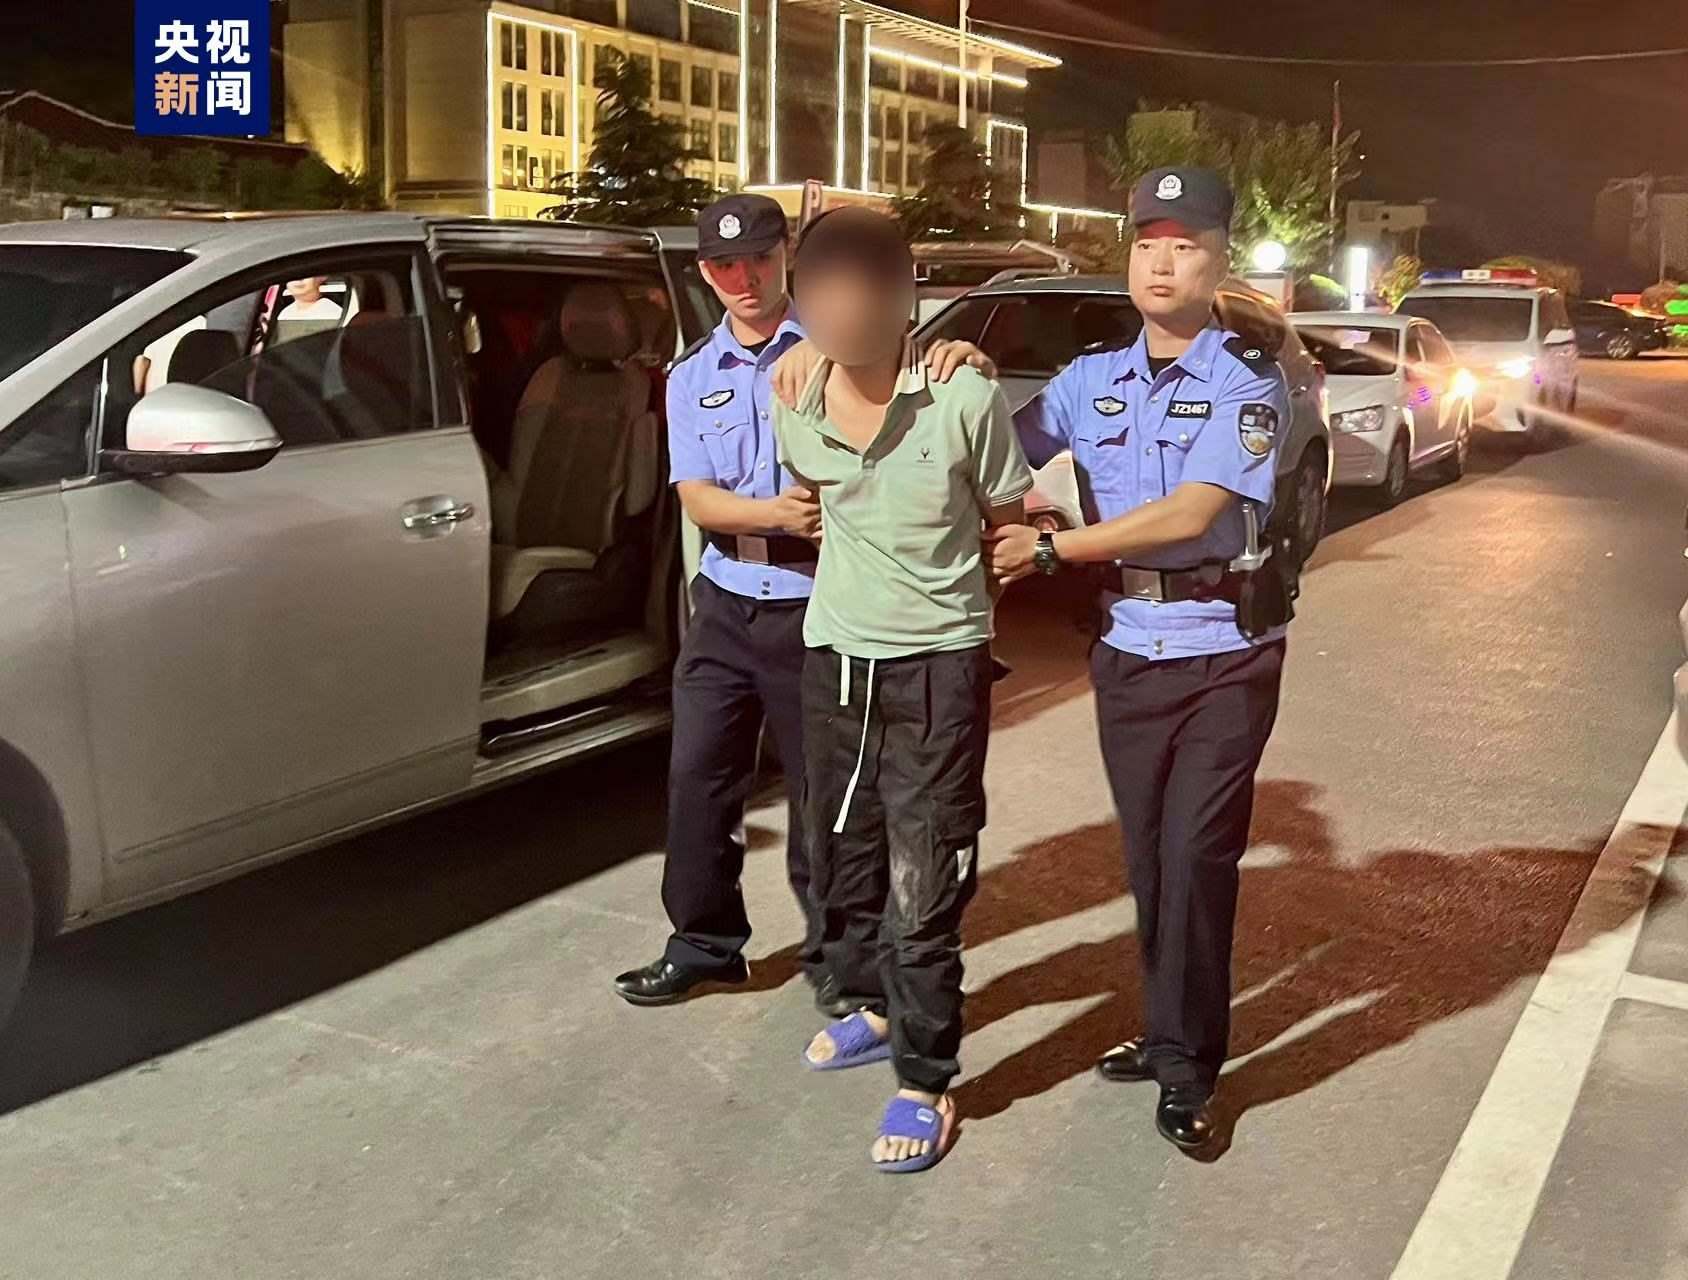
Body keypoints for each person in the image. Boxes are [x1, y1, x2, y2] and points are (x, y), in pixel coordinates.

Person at [983, 166, 1293, 1151]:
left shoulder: (1245, 380)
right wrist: (944, 373)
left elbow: (1193, 512)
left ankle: (1189, 1068)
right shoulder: (1089, 380)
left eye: (1184, 246)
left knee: (1196, 856)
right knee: (1150, 857)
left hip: (1221, 654)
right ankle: (1164, 1030)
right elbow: (998, 456)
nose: (1162, 264)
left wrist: (1053, 549)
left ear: (1218, 262)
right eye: (1146, 244)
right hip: (1125, 647)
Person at [772, 208, 1033, 1173]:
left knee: (925, 878)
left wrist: (967, 611)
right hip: (835, 662)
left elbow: (1009, 521)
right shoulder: (791, 393)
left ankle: (925, 1081)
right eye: (822, 296)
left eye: (861, 294)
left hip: (937, 672)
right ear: (802, 303)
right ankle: (874, 1007)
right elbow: (818, 509)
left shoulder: (964, 397)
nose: (842, 314)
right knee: (840, 854)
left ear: (902, 299)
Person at [613, 194, 848, 1015]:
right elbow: (698, 497)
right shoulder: (691, 375)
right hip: (725, 600)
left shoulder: (839, 352)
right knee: (698, 779)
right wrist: (775, 514)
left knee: (824, 796)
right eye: (723, 265)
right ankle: (704, 945)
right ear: (704, 272)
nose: (743, 278)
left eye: (757, 258)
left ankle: (839, 958)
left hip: (818, 602)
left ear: (787, 254)